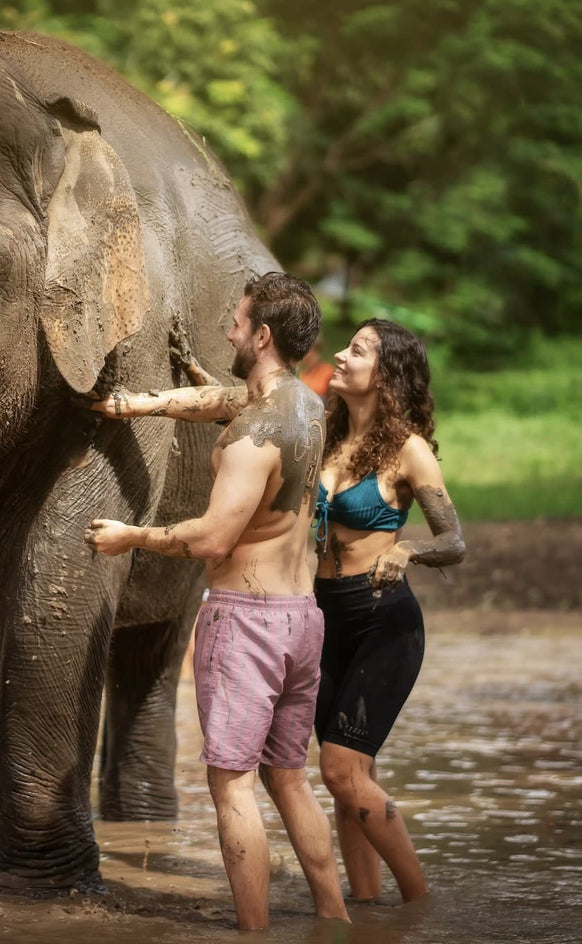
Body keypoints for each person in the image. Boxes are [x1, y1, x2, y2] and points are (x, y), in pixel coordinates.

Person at [83, 272, 349, 931]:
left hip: (246, 622)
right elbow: (224, 399)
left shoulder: (251, 439)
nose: (227, 330)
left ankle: (253, 930)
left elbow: (212, 537)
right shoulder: (304, 408)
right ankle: (338, 918)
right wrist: (140, 404)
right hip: (301, 620)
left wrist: (131, 537)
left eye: (236, 322)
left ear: (261, 335)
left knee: (231, 785)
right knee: (288, 778)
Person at [313, 318, 465, 903]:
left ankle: (419, 902)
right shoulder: (327, 437)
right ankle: (368, 908)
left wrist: (407, 550)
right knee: (351, 780)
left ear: (387, 374)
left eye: (357, 350)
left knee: (340, 769)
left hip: (384, 622)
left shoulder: (409, 450)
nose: (340, 356)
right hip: (326, 618)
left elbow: (454, 540)